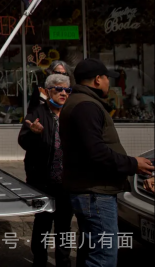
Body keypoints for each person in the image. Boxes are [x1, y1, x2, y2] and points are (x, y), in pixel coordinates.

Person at [59, 58, 154, 267]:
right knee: (103, 258)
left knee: (91, 251)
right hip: (95, 193)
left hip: (90, 190)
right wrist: (132, 164)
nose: (109, 84)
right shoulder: (86, 106)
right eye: (106, 79)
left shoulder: (82, 102)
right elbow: (96, 152)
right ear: (97, 80)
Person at [19, 74, 74, 267]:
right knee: (42, 224)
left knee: (64, 227)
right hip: (42, 182)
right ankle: (39, 261)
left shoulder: (71, 114)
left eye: (67, 90)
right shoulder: (37, 113)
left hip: (67, 183)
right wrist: (34, 134)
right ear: (48, 91)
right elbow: (23, 141)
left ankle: (64, 261)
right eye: (58, 89)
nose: (63, 93)